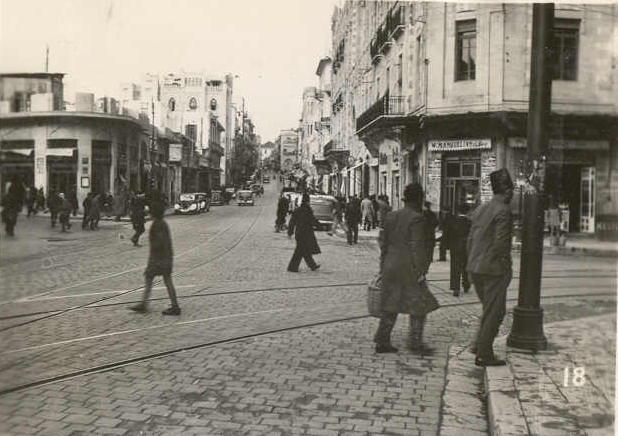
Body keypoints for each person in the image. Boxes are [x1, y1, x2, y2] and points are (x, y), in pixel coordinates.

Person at [374, 183, 439, 354]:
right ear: (418, 199)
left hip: (390, 265)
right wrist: (421, 271)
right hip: (408, 268)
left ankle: (382, 340)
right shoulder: (417, 218)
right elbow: (416, 246)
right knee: (419, 306)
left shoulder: (391, 216)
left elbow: (383, 243)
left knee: (390, 304)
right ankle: (415, 343)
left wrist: (383, 266)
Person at [467, 168, 514, 367]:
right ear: (507, 190)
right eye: (511, 190)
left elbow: (470, 239)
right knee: (495, 312)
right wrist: (506, 266)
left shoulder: (481, 208)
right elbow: (501, 244)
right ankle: (484, 354)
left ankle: (477, 345)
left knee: (490, 309)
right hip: (492, 269)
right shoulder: (503, 210)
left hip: (475, 267)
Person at [130, 200, 181, 315]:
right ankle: (171, 305)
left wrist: (154, 248)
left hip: (159, 258)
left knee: (153, 278)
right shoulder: (161, 223)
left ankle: (147, 304)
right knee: (164, 280)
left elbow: (159, 242)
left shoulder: (158, 224)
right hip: (164, 257)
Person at [287, 193, 321, 272]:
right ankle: (292, 267)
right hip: (306, 233)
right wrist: (319, 226)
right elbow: (312, 220)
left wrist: (290, 232)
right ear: (307, 201)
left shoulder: (297, 210)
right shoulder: (308, 210)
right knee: (299, 251)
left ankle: (313, 265)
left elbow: (292, 222)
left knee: (305, 250)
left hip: (299, 233)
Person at [449, 204, 472, 297]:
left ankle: (456, 288)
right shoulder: (470, 222)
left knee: (455, 267)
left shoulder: (454, 221)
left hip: (455, 247)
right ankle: (466, 285)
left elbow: (448, 234)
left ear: (458, 211)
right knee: (466, 267)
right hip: (466, 247)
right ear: (468, 212)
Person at [423, 201, 439, 266]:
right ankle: (430, 258)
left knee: (425, 246)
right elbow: (436, 222)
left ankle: (425, 257)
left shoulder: (422, 213)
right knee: (430, 246)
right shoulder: (432, 214)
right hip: (431, 232)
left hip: (424, 232)